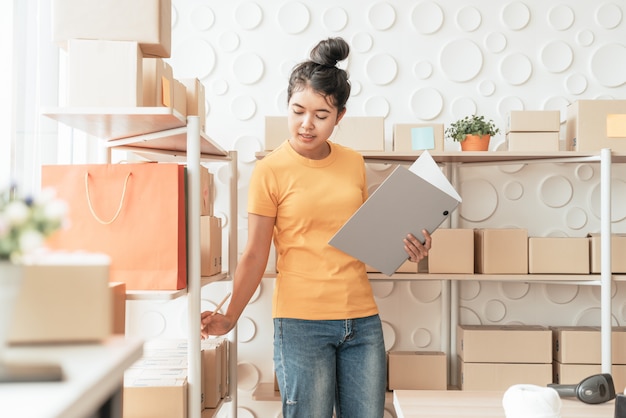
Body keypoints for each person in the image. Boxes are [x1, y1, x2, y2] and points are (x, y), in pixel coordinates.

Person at [200, 37, 432, 418]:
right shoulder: (270, 170)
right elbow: (256, 253)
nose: (306, 125)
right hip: (300, 324)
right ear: (287, 106)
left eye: (321, 116)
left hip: (361, 321)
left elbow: (363, 236)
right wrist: (230, 316)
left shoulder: (353, 162)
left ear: (339, 116)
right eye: (297, 111)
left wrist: (408, 248)